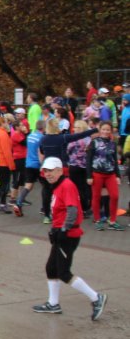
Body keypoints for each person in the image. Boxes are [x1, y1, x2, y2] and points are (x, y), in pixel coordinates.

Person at [32, 158, 107, 320]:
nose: (48, 174)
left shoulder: (66, 185)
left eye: (51, 170)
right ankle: (53, 304)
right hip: (60, 233)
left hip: (68, 235)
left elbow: (72, 210)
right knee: (51, 269)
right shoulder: (57, 186)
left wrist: (64, 229)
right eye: (46, 171)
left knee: (63, 272)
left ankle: (96, 298)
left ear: (60, 170)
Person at [86, 121, 123, 231]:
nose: (106, 131)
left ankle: (112, 221)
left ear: (111, 131)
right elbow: (88, 160)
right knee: (96, 197)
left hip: (110, 174)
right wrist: (89, 176)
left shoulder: (113, 144)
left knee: (115, 196)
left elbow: (115, 161)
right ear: (100, 130)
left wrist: (118, 175)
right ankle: (97, 220)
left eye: (108, 130)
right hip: (97, 173)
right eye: (104, 129)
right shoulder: (94, 142)